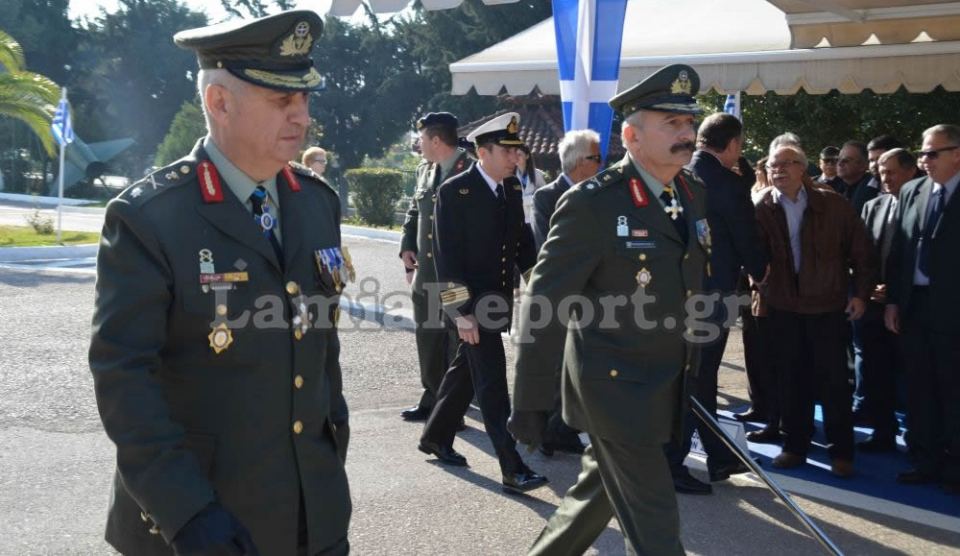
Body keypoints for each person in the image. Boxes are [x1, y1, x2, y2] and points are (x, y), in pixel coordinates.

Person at [88, 11, 352, 556]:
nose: (301, 118)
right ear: (219, 103)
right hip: (200, 522)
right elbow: (123, 375)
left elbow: (320, 344)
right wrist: (185, 512)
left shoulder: (316, 202)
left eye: (304, 99)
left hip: (313, 512)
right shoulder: (151, 217)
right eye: (282, 101)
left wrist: (332, 445)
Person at [509, 64, 710, 556]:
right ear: (632, 136)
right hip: (614, 389)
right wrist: (531, 402)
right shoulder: (594, 205)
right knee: (656, 525)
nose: (687, 135)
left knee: (593, 498)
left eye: (689, 124)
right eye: (672, 124)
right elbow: (545, 305)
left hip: (664, 380)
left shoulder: (692, 193)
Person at [417, 112, 547, 495]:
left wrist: (541, 282)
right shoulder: (455, 193)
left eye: (516, 150)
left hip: (497, 304)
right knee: (491, 384)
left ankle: (436, 436)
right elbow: (448, 259)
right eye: (507, 151)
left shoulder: (511, 189)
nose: (516, 157)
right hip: (473, 308)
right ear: (483, 151)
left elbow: (521, 244)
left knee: (464, 374)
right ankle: (512, 467)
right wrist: (461, 314)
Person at [754, 144, 876, 478]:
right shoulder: (762, 205)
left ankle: (842, 452)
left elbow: (862, 253)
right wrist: (760, 286)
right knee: (791, 380)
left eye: (785, 164)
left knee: (834, 382)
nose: (777, 170)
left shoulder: (833, 204)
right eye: (773, 165)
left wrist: (861, 295)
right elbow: (752, 253)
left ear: (802, 169)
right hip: (783, 307)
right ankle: (795, 447)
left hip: (826, 305)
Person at [665, 112, 767, 494]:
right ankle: (673, 462)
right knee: (695, 377)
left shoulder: (676, 174)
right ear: (734, 144)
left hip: (678, 293)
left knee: (698, 375)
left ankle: (719, 456)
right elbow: (747, 239)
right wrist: (762, 272)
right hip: (714, 295)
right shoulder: (727, 183)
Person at [885, 124, 960, 495]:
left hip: (953, 309)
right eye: (922, 153)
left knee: (953, 387)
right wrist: (894, 300)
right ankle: (924, 459)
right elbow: (898, 251)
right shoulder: (913, 190)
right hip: (914, 306)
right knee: (920, 387)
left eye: (932, 153)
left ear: (957, 154)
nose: (923, 161)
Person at [528, 129, 601, 457]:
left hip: (595, 294)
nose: (601, 163)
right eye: (595, 158)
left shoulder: (599, 195)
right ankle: (544, 431)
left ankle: (564, 427)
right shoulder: (547, 197)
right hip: (559, 291)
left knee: (580, 364)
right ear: (577, 162)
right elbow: (548, 246)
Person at [397, 112, 472, 422]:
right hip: (426, 275)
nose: (419, 145)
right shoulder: (425, 171)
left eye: (423, 139)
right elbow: (415, 212)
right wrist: (406, 245)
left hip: (455, 278)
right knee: (428, 338)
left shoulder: (472, 169)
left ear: (437, 140)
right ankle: (432, 398)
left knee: (457, 341)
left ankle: (454, 407)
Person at [856, 148, 918, 452]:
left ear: (910, 171)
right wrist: (867, 288)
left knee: (912, 377)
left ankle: (919, 438)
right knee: (876, 372)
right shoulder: (872, 206)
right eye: (881, 172)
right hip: (873, 305)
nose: (885, 178)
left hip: (910, 308)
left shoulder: (922, 206)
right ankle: (883, 432)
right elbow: (864, 254)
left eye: (891, 171)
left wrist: (894, 290)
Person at [838, 140, 878, 215]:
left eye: (846, 160)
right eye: (838, 159)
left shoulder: (874, 189)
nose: (840, 163)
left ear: (864, 165)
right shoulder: (834, 186)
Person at [516, 143, 548, 226]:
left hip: (536, 219)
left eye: (519, 154)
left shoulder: (538, 174)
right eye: (515, 155)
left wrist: (528, 199)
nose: (516, 157)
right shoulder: (510, 177)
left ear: (527, 156)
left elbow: (544, 195)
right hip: (520, 221)